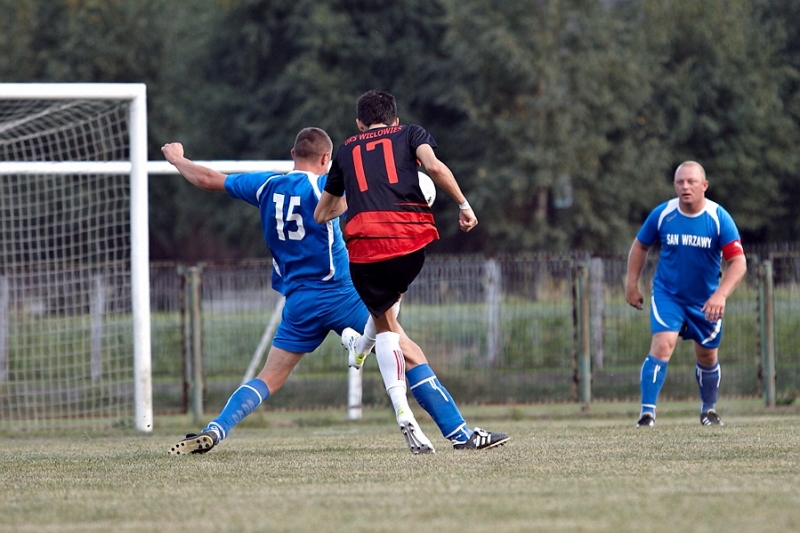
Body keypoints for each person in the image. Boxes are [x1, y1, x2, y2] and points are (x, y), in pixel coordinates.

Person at [162, 128, 480, 455]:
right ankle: (460, 434)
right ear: (327, 158)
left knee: (268, 377)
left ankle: (216, 429)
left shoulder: (265, 185)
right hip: (344, 297)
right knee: (409, 354)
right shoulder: (326, 187)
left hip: (299, 303)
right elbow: (368, 194)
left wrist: (177, 159)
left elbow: (206, 179)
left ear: (293, 154)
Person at [314, 90, 509, 450]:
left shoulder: (345, 150)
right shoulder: (410, 133)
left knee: (389, 329)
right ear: (395, 120)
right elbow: (433, 167)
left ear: (359, 124)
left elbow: (322, 213)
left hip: (364, 254)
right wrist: (464, 205)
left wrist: (358, 195)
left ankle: (370, 362)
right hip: (408, 246)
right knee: (394, 331)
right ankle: (453, 430)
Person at [625, 161, 747, 428]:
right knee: (663, 344)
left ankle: (709, 410)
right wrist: (631, 284)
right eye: (680, 182)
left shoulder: (718, 218)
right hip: (668, 295)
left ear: (704, 185)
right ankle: (647, 414)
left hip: (706, 301)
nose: (685, 186)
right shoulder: (663, 214)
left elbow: (738, 262)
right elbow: (640, 246)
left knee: (707, 356)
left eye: (691, 181)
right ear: (674, 185)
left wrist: (721, 295)